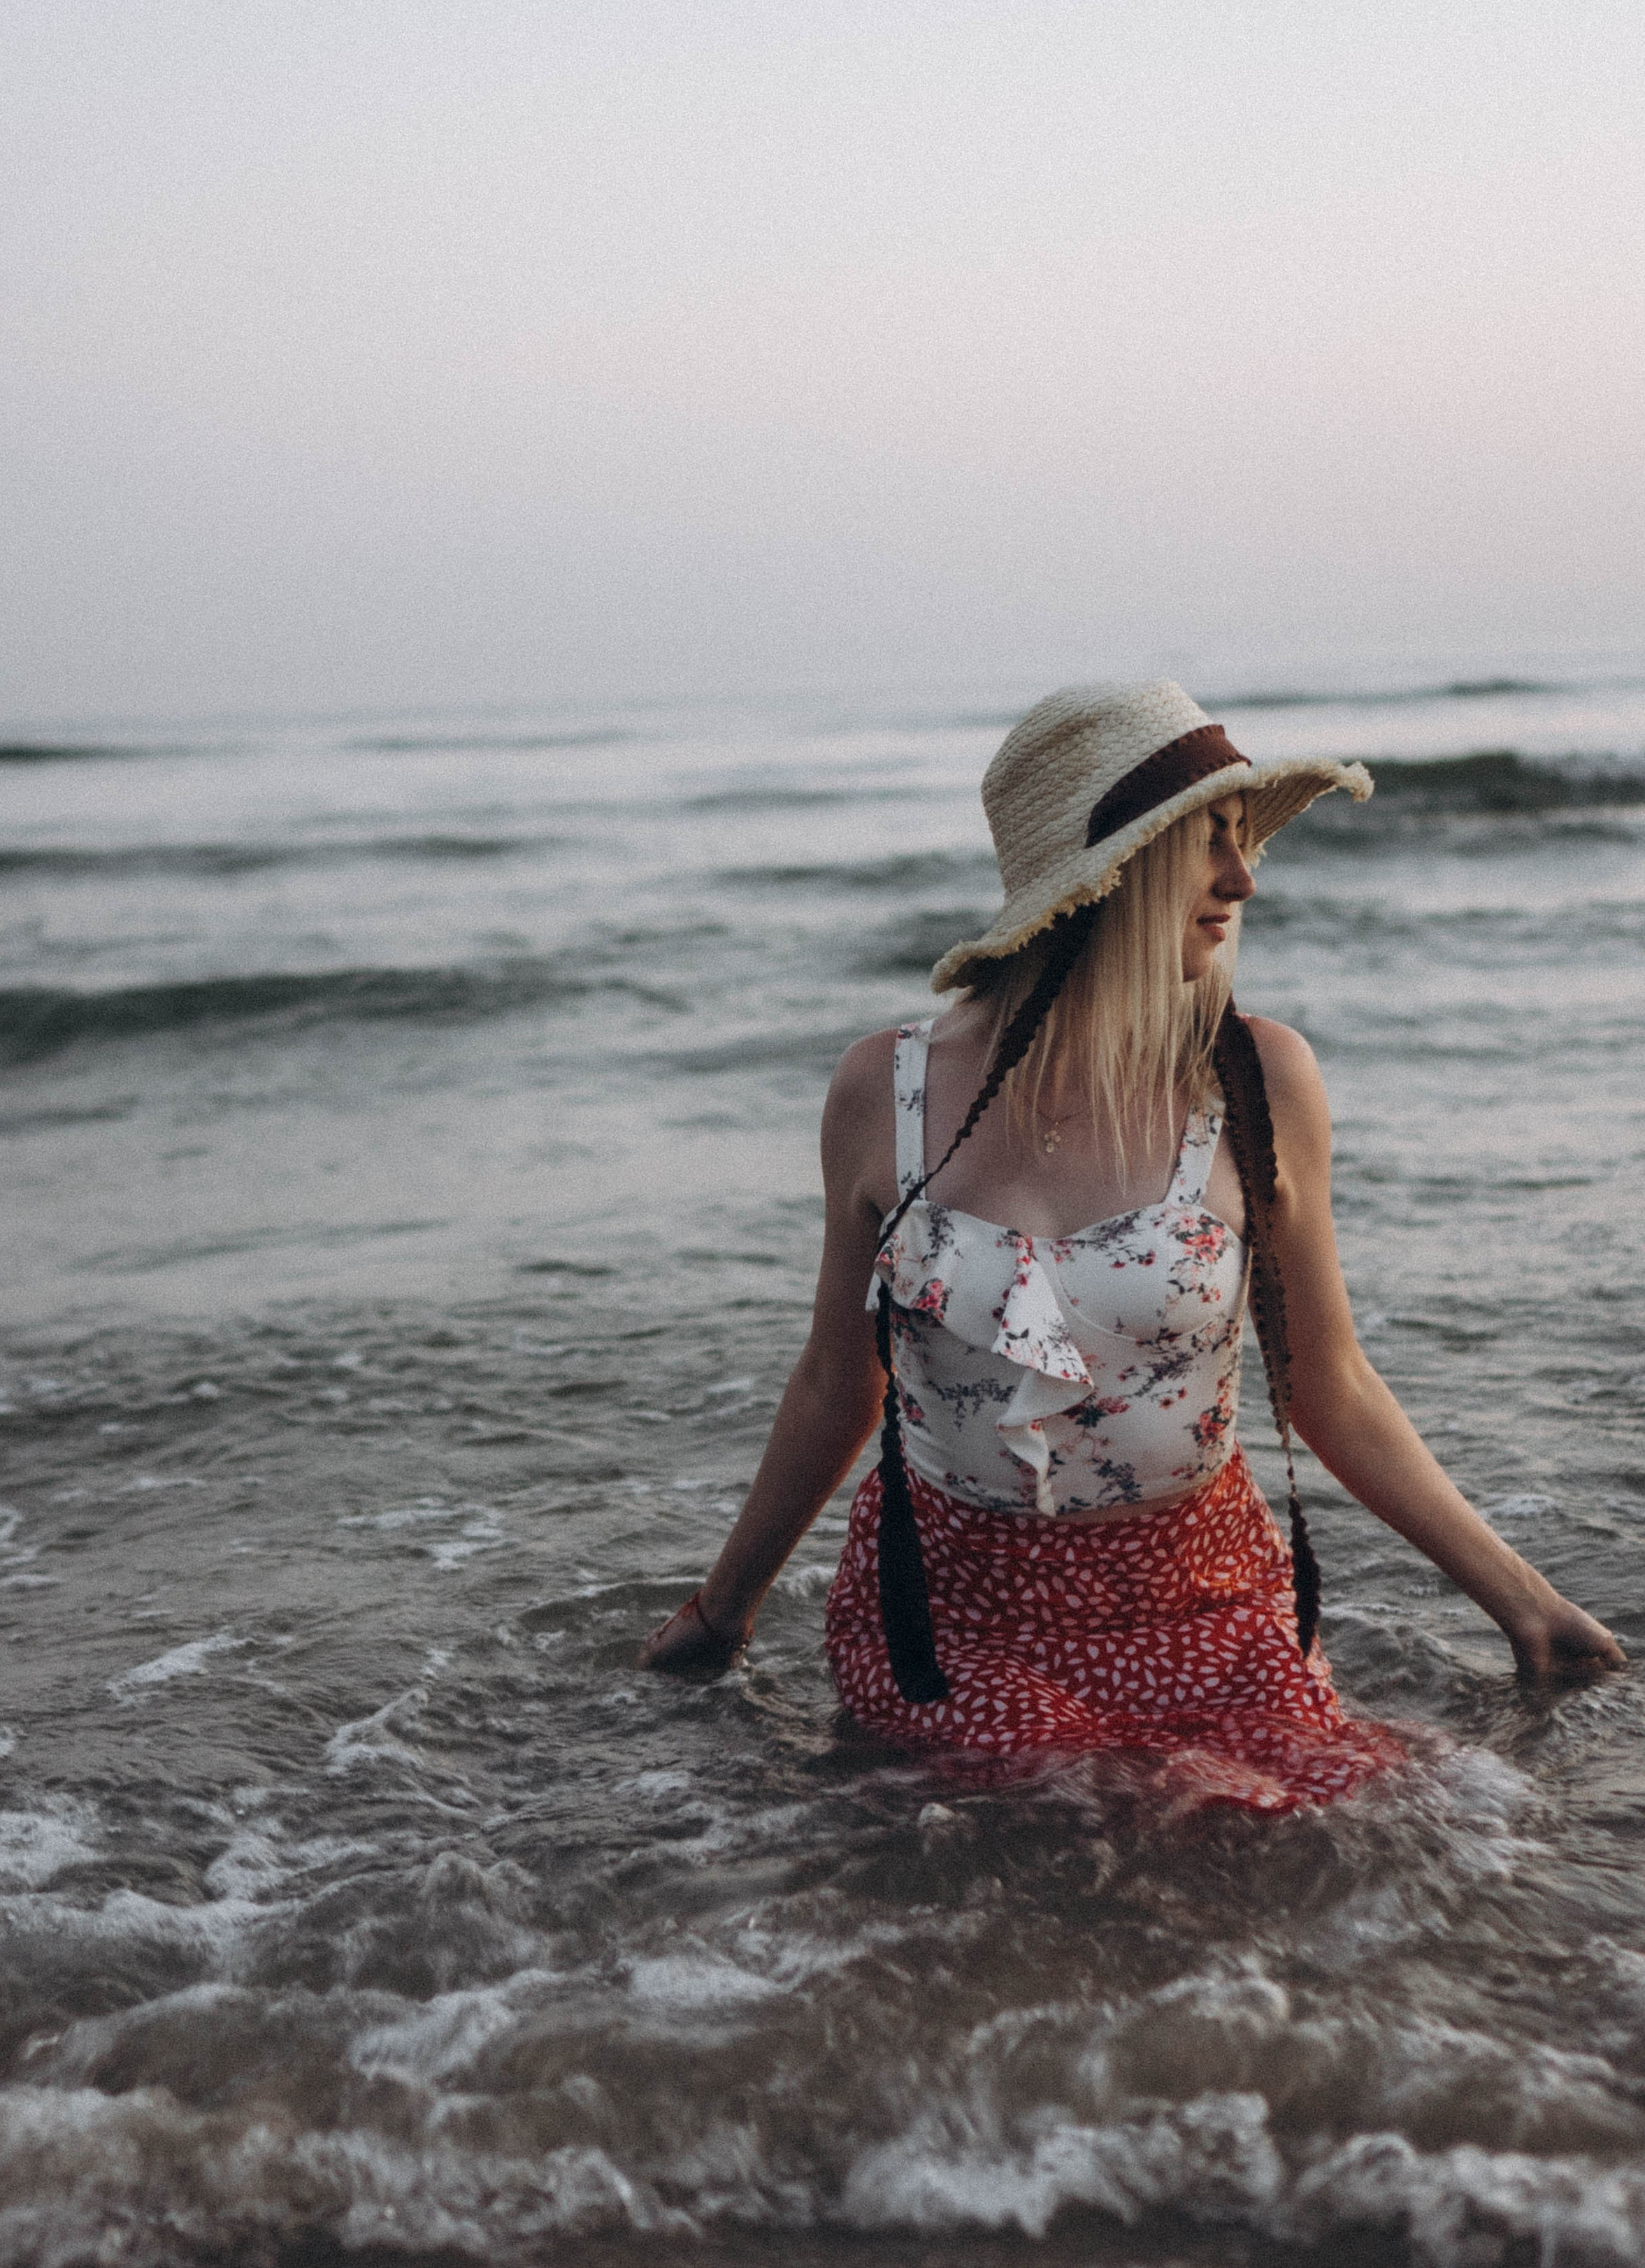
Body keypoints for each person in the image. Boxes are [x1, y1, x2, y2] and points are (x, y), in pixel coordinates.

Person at [638, 682, 1623, 1812]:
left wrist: (1525, 1602)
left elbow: (1326, 1384)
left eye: (1241, 841)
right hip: (956, 1615)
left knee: (1338, 1817)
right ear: (1110, 871)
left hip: (1207, 1599)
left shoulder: (1254, 1080)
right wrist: (723, 1612)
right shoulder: (885, 1092)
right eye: (1208, 842)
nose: (1243, 881)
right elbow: (833, 1380)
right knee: (1066, 1811)